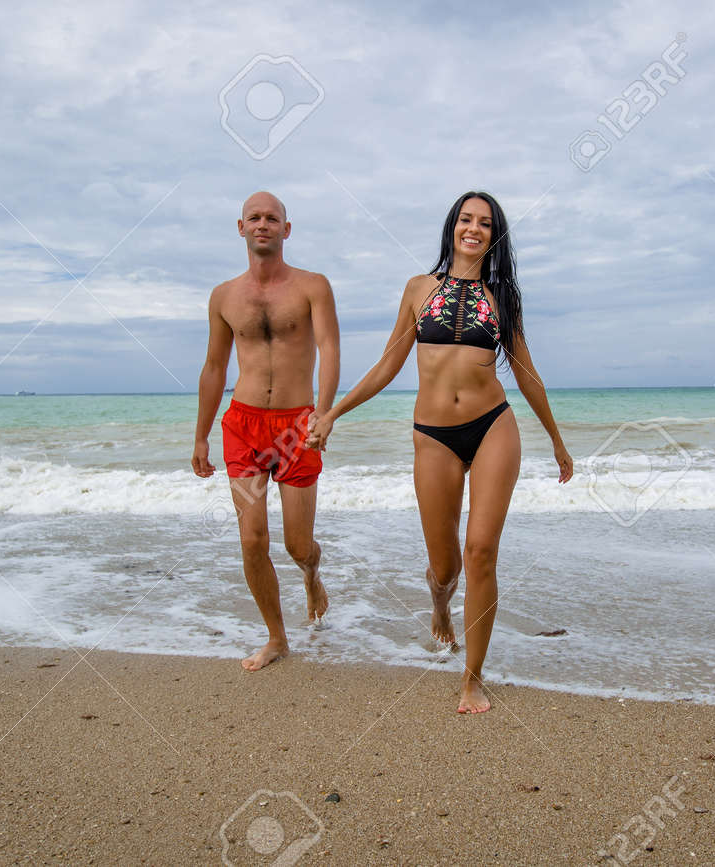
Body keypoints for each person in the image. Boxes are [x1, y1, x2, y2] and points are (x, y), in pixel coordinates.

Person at [307, 191, 572, 713]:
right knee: (446, 565)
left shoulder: (502, 296)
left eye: (485, 223)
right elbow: (387, 365)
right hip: (432, 434)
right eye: (466, 219)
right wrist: (334, 413)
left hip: (494, 424)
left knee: (481, 552)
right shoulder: (417, 289)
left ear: (495, 236)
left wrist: (558, 441)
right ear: (452, 226)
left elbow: (526, 373)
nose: (474, 228)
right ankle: (441, 605)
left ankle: (472, 677)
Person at [192, 191, 340, 672]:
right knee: (252, 540)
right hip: (244, 424)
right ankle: (277, 638)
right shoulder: (224, 296)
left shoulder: (313, 285)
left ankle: (311, 573)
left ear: (286, 229)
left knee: (298, 546)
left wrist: (324, 413)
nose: (263, 225)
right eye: (254, 218)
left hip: (298, 424)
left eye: (271, 218)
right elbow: (214, 366)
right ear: (240, 227)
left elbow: (329, 347)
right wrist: (200, 435)